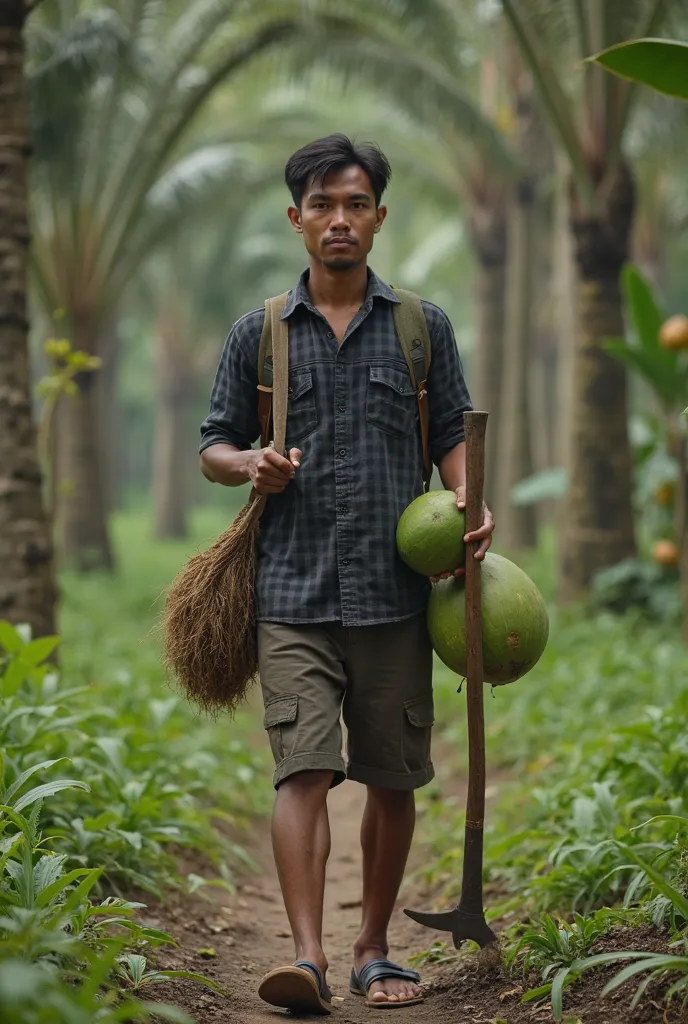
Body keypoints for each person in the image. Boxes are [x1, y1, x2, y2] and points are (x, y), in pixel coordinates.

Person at [199, 134, 494, 1015]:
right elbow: (212, 446)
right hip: (289, 592)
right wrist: (252, 463)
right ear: (297, 220)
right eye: (322, 205)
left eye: (355, 204)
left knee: (394, 775)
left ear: (379, 217)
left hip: (398, 593)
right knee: (302, 771)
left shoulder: (420, 327)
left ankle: (372, 950)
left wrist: (468, 501)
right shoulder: (259, 332)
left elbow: (451, 435)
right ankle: (307, 957)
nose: (339, 220)